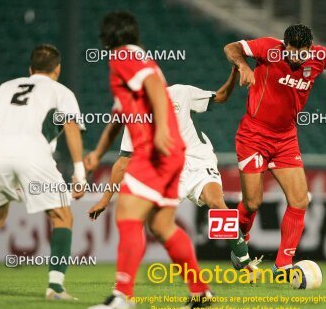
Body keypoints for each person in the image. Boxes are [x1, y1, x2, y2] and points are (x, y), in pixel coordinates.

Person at [87, 11, 211, 309]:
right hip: (171, 154)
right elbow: (120, 117)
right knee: (162, 226)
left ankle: (122, 295)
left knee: (127, 214)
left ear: (107, 38)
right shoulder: (138, 59)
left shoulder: (122, 57)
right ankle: (200, 293)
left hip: (154, 153)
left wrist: (162, 132)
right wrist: (98, 152)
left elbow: (155, 85)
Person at [85, 68, 262, 275]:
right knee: (148, 221)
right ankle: (126, 277)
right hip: (170, 171)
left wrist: (234, 71)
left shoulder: (181, 93)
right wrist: (105, 200)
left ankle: (243, 260)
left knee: (217, 204)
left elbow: (221, 97)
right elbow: (123, 162)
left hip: (199, 160)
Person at [223, 24, 326, 276]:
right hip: (254, 135)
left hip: (286, 138)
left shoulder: (320, 56)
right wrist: (244, 66)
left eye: (302, 54)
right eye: (292, 52)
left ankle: (283, 265)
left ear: (310, 49)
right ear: (284, 46)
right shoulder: (269, 47)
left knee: (300, 200)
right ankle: (240, 241)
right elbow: (231, 48)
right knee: (252, 202)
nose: (296, 58)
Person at [0, 44, 86, 300]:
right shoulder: (61, 91)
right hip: (34, 154)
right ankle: (55, 287)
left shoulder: (5, 88)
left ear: (30, 69)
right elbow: (70, 125)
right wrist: (80, 173)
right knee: (62, 217)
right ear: (58, 69)